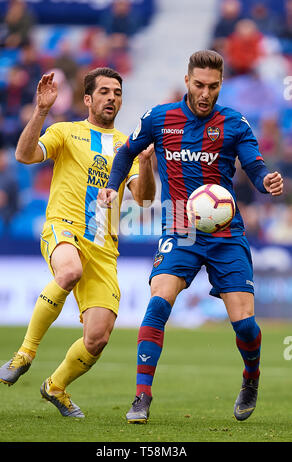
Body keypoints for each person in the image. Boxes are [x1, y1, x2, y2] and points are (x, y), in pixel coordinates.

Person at [98, 50, 283, 423]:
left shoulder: (234, 123)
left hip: (225, 232)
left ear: (221, 85)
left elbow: (254, 164)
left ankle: (250, 379)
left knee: (245, 324)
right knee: (158, 302)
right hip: (180, 226)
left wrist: (267, 180)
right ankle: (141, 397)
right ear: (187, 82)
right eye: (199, 85)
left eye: (213, 87)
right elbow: (125, 153)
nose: (205, 93)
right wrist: (113, 187)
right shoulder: (159, 117)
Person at [0, 67, 156, 418]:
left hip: (104, 248)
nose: (111, 97)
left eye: (116, 92)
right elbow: (24, 156)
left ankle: (55, 386)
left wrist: (146, 165)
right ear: (87, 99)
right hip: (63, 227)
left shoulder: (125, 147)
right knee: (68, 271)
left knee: (97, 338)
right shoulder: (66, 132)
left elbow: (143, 199)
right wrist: (40, 111)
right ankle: (25, 353)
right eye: (103, 91)